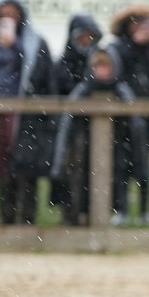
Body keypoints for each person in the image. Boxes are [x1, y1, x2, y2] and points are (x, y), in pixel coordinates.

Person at [0, 0, 55, 225]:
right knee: (3, 167)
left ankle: (28, 217)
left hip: (26, 116)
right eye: (3, 15)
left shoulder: (35, 45)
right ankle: (6, 216)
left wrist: (15, 45)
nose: (7, 19)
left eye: (12, 15)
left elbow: (45, 80)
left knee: (26, 166)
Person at [51, 38, 145, 227]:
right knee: (81, 182)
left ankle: (114, 214)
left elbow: (135, 124)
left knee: (115, 181)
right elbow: (68, 122)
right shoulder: (82, 91)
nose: (102, 72)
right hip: (83, 147)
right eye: (98, 67)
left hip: (116, 147)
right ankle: (78, 216)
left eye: (106, 67)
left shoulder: (122, 92)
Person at [111, 4, 149, 226]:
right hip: (124, 112)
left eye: (145, 21)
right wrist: (135, 44)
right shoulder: (118, 47)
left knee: (144, 159)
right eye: (136, 21)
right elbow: (116, 69)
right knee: (121, 160)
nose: (141, 26)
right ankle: (121, 209)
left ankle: (145, 210)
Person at [49, 14, 103, 211]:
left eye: (90, 37)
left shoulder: (100, 63)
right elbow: (56, 93)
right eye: (82, 37)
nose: (86, 42)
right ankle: (70, 211)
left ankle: (92, 211)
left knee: (96, 169)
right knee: (70, 169)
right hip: (70, 128)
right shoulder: (63, 64)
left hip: (97, 127)